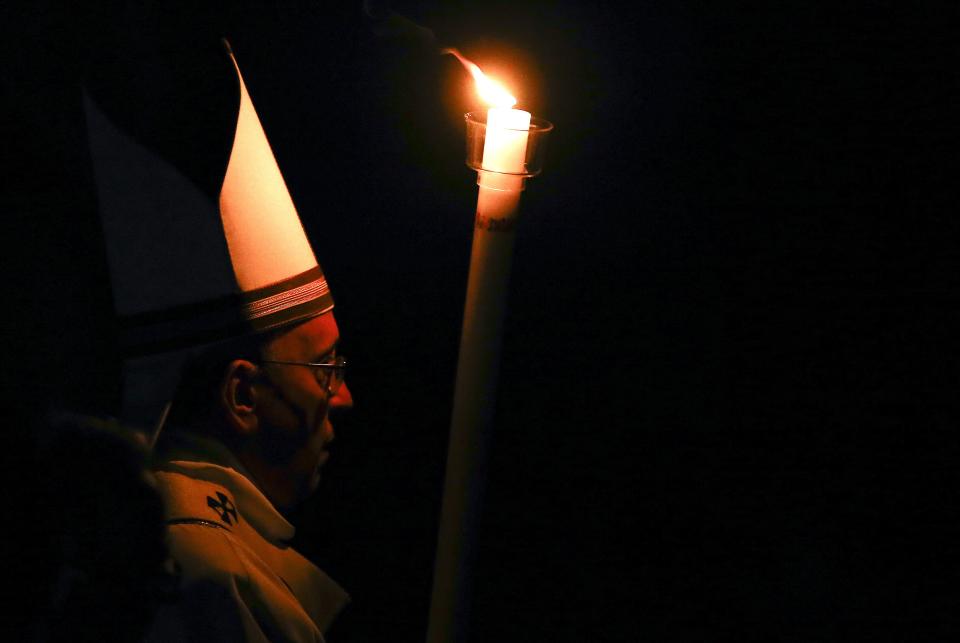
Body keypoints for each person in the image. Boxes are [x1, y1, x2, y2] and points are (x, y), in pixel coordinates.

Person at [84, 38, 354, 641]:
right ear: (243, 396)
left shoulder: (214, 543)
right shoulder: (206, 571)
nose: (343, 398)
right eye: (324, 369)